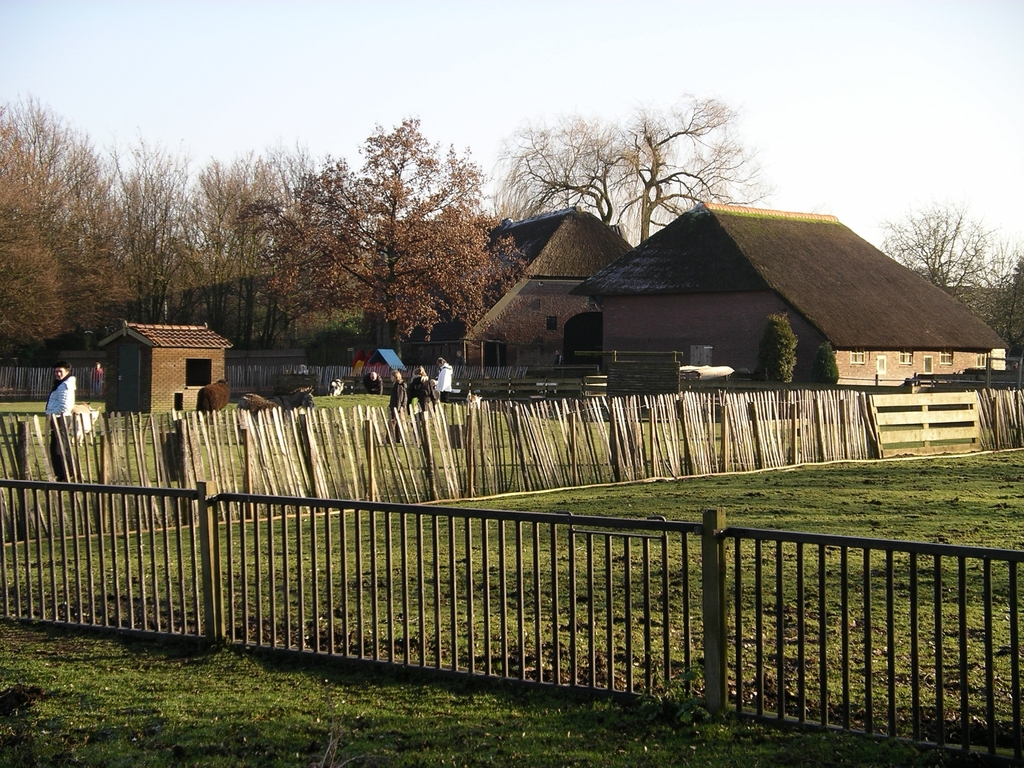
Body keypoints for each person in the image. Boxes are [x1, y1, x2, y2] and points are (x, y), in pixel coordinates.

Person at [45, 360, 76, 481]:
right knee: (63, 446)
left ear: (67, 372)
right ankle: (71, 471)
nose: (58, 374)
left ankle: (63, 474)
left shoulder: (64, 385)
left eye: (60, 371)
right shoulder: (61, 384)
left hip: (60, 418)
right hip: (59, 417)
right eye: (56, 371)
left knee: (57, 448)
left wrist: (50, 413)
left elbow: (65, 406)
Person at [388, 370, 408, 441]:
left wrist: (396, 409)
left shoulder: (398, 386)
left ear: (395, 377)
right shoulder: (398, 385)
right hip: (397, 407)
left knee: (392, 422)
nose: (391, 378)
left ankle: (388, 438)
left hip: (396, 407)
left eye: (392, 376)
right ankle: (398, 438)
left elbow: (399, 398)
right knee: (397, 423)